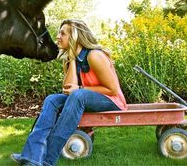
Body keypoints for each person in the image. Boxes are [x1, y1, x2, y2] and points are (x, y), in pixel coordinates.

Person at [11, 19, 127, 166]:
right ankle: (31, 157)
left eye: (63, 33)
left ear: (75, 37)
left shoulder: (94, 55)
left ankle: (47, 161)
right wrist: (72, 59)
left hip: (112, 101)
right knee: (52, 99)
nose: (58, 36)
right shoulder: (70, 58)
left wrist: (79, 89)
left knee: (78, 95)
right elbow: (68, 89)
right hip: (85, 97)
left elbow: (113, 90)